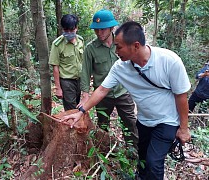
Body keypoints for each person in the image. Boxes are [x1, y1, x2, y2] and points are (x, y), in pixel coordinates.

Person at [62, 21, 191, 179]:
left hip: (167, 121)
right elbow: (102, 90)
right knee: (143, 158)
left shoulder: (169, 61)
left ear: (136, 46)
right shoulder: (120, 67)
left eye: (119, 47)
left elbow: (181, 96)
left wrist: (183, 128)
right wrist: (81, 111)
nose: (116, 51)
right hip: (144, 121)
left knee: (153, 162)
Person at [79, 9, 138, 147]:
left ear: (111, 28)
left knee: (130, 123)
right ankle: (104, 151)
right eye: (96, 30)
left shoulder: (123, 44)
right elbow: (85, 72)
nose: (99, 33)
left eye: (103, 29)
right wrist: (85, 95)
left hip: (123, 91)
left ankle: (134, 152)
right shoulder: (91, 48)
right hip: (102, 95)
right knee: (102, 125)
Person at [49, 14, 84, 111]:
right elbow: (55, 66)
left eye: (71, 30)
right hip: (67, 81)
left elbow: (83, 61)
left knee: (77, 105)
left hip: (79, 80)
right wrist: (58, 88)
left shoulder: (80, 41)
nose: (69, 33)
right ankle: (72, 126)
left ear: (76, 28)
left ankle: (76, 125)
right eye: (66, 30)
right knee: (70, 109)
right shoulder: (57, 44)